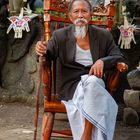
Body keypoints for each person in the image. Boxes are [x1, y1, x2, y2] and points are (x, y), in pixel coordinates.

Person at [35, 0, 125, 139]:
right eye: (76, 12)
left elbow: (118, 57)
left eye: (84, 11)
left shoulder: (103, 35)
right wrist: (41, 49)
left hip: (96, 85)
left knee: (93, 82)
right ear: (70, 16)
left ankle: (86, 136)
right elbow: (48, 54)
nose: (80, 15)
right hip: (71, 87)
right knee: (92, 85)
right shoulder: (60, 35)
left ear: (90, 15)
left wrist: (103, 61)